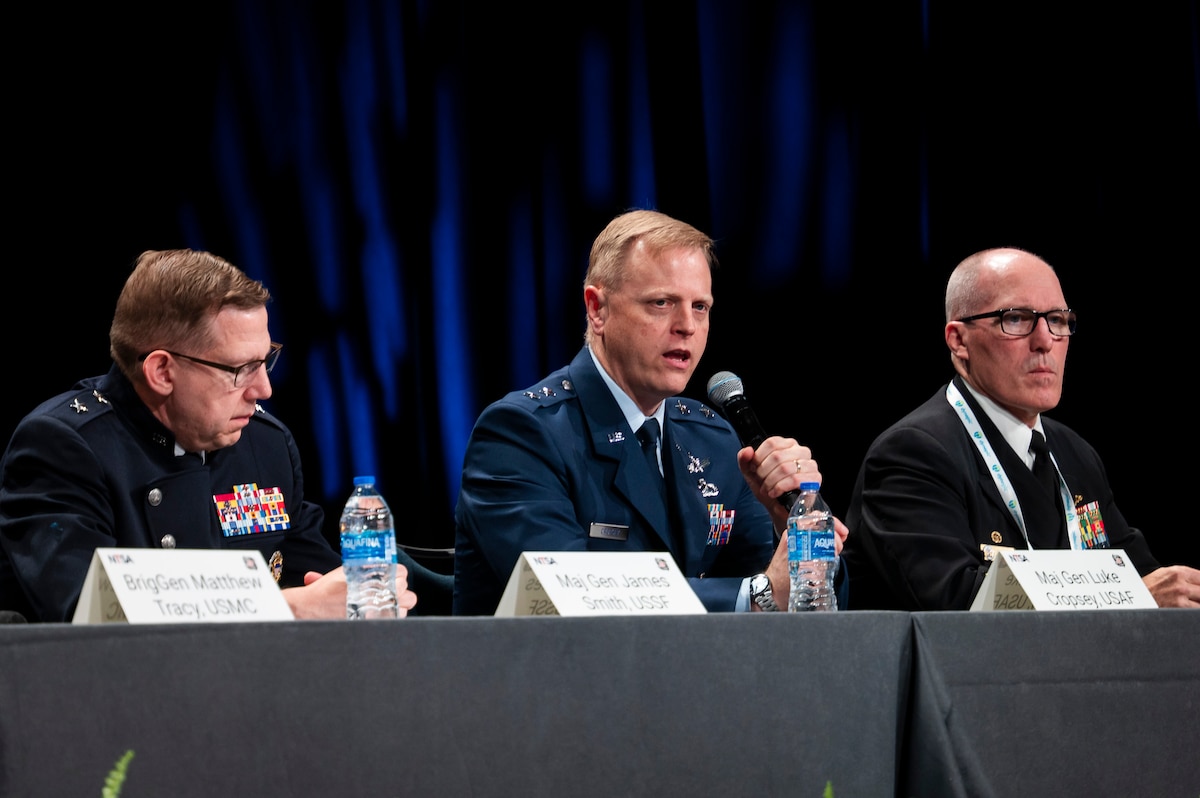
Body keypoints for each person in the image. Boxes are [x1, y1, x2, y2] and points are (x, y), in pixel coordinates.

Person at [453, 209, 847, 615]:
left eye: (700, 307)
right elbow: (570, 598)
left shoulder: (711, 437)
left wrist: (793, 527)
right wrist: (757, 595)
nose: (687, 326)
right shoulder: (520, 434)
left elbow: (778, 591)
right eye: (661, 302)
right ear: (597, 309)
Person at [0, 249, 418, 622]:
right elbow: (90, 617)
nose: (263, 391)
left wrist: (362, 593)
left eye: (265, 360)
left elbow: (317, 578)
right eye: (239, 369)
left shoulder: (264, 443)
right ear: (162, 371)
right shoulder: (62, 447)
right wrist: (289, 608)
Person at [842, 246, 1200, 610]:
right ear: (959, 340)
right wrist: (1128, 597)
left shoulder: (1073, 453)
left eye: (1058, 320)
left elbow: (1146, 578)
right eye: (1015, 319)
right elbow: (958, 603)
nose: (1045, 340)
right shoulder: (912, 453)